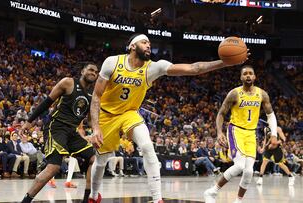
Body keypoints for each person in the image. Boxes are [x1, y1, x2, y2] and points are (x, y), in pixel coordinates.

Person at [88, 33, 248, 203]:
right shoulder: (112, 62)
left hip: (129, 113)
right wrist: (96, 127)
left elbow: (195, 68)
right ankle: (93, 195)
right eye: (144, 42)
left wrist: (225, 62)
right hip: (106, 114)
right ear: (132, 46)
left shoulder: (153, 68)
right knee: (101, 160)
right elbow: (96, 96)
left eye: (149, 43)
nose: (148, 45)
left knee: (147, 147)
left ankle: (157, 199)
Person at [21, 63, 99, 203]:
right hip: (56, 127)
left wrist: (95, 132)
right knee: (53, 167)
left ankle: (87, 200)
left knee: (94, 159)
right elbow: (47, 102)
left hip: (72, 132)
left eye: (96, 72)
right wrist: (30, 121)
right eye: (90, 70)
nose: (93, 73)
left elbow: (89, 119)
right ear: (82, 71)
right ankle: (26, 200)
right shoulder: (68, 82)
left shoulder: (91, 96)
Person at [204, 65, 278, 203]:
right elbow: (221, 113)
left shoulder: (262, 94)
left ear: (255, 77)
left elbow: (271, 115)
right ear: (241, 77)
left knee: (249, 171)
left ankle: (238, 200)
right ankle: (212, 192)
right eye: (245, 74)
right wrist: (219, 132)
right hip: (235, 130)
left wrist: (274, 134)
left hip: (251, 134)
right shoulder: (234, 93)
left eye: (251, 73)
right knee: (239, 166)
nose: (248, 76)